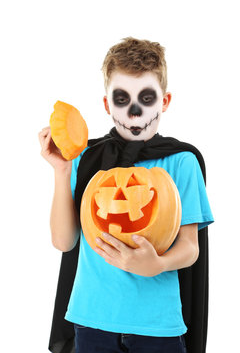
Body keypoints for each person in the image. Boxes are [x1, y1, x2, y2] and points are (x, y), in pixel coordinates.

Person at [39, 37, 214, 353]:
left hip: (157, 323)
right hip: (90, 318)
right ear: (107, 104)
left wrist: (157, 264)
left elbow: (190, 248)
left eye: (146, 98)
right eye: (122, 99)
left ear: (165, 101)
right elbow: (64, 242)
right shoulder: (86, 157)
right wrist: (62, 171)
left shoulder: (181, 162)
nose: (135, 111)